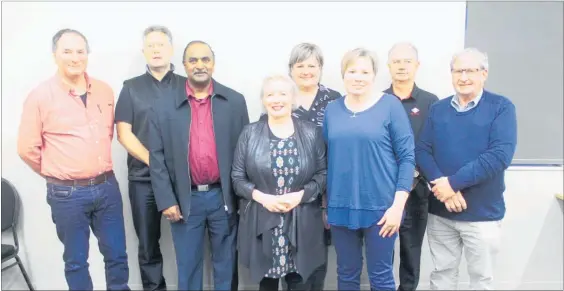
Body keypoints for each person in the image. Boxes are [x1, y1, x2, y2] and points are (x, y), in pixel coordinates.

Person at [17, 29, 129, 291]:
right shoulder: (40, 96)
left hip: (107, 188)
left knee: (117, 256)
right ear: (55, 54)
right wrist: (57, 173)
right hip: (67, 194)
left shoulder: (104, 90)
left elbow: (109, 133)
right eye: (67, 51)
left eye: (80, 51)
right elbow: (26, 148)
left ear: (87, 54)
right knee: (76, 261)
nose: (75, 58)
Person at [148, 40, 249, 291]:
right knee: (188, 266)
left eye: (205, 59)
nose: (199, 65)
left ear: (213, 64)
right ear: (183, 65)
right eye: (193, 60)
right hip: (184, 201)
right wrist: (166, 199)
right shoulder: (163, 105)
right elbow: (156, 156)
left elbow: (245, 152)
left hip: (222, 197)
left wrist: (243, 198)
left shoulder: (234, 101)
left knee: (226, 265)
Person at [416, 48, 517, 290]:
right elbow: (422, 150)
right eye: (457, 71)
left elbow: (499, 156)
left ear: (484, 73)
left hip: (482, 214)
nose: (463, 77)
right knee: (442, 276)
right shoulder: (438, 109)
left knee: (481, 280)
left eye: (470, 71)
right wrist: (445, 187)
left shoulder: (501, 107)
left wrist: (452, 184)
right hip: (441, 212)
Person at [323, 48, 415, 291]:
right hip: (341, 207)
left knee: (382, 277)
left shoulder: (391, 106)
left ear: (374, 75)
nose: (358, 77)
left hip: (382, 210)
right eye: (352, 71)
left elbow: (407, 158)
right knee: (346, 275)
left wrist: (398, 206)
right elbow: (325, 159)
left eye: (364, 71)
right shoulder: (332, 110)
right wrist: (325, 205)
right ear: (343, 75)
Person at [232, 74, 327, 291]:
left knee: (300, 282)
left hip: (302, 222)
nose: (276, 100)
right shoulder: (249, 133)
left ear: (292, 98)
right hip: (263, 222)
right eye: (270, 94)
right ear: (263, 100)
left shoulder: (312, 133)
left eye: (282, 94)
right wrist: (262, 198)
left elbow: (323, 174)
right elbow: (237, 179)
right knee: (267, 285)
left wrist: (300, 196)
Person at [115, 25, 181, 291]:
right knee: (147, 244)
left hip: (180, 179)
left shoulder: (186, 86)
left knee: (190, 239)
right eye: (150, 46)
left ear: (171, 50)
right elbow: (124, 133)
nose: (156, 50)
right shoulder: (131, 88)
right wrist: (156, 163)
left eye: (161, 45)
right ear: (143, 51)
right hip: (143, 180)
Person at [286, 42, 342, 290]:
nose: (306, 71)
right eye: (300, 65)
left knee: (319, 255)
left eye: (312, 65)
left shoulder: (334, 100)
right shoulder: (282, 96)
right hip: (290, 191)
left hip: (327, 189)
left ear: (320, 68)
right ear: (291, 70)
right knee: (292, 257)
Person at [384, 42, 439, 291]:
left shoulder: (430, 102)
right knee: (382, 251)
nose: (402, 66)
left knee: (411, 250)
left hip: (417, 190)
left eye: (407, 61)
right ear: (389, 66)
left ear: (417, 66)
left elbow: (435, 145)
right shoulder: (379, 100)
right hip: (384, 189)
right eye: (396, 61)